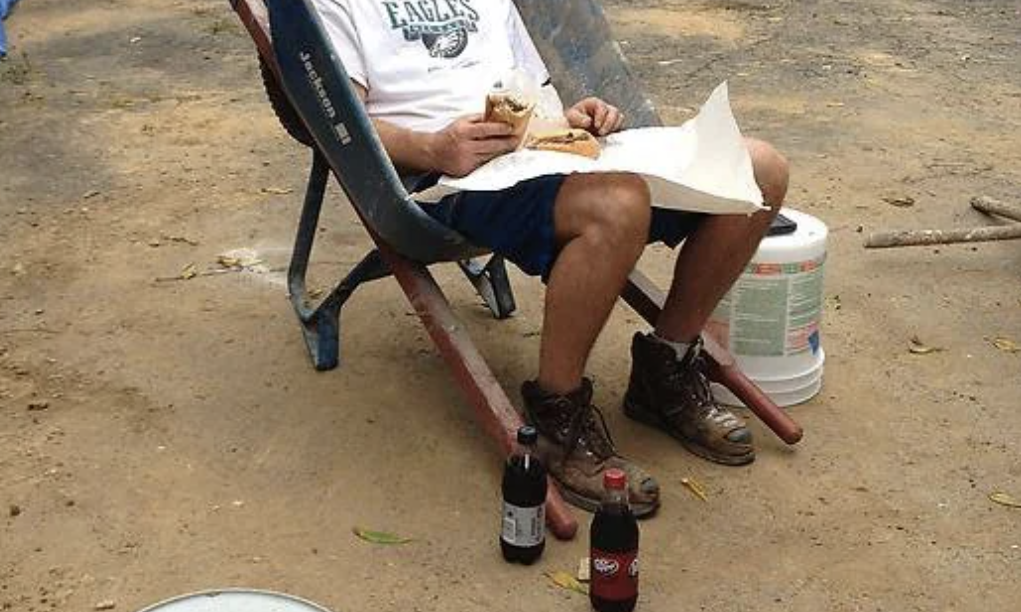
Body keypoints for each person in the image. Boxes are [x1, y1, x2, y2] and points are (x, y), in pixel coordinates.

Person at [313, 0, 788, 517]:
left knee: (760, 168)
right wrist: (432, 148)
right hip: (450, 178)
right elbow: (339, 121)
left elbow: (530, 98)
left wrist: (571, 118)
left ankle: (666, 368)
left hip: (539, 152)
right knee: (619, 206)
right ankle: (557, 422)